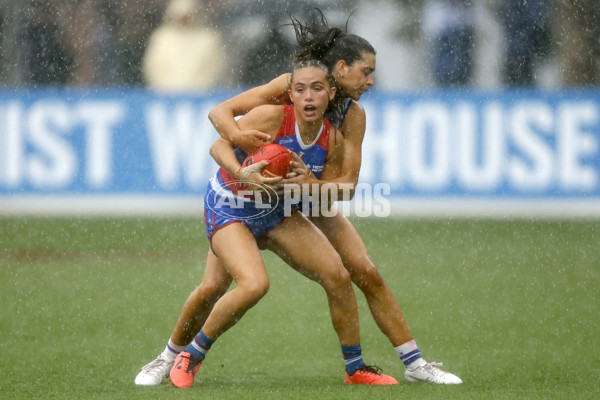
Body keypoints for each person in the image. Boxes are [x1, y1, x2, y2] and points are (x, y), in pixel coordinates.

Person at [135, 11, 462, 386]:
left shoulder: (353, 115)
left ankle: (409, 364)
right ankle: (169, 357)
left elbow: (347, 186)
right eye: (365, 71)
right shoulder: (288, 90)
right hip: (249, 197)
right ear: (341, 68)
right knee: (214, 287)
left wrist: (309, 185)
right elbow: (221, 118)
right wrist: (241, 145)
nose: (371, 80)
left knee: (360, 272)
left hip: (304, 196)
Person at [141, 60, 398, 388]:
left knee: (339, 276)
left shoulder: (331, 139)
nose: (308, 98)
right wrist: (241, 172)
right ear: (290, 94)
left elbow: (341, 189)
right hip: (230, 206)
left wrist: (310, 185)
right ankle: (183, 356)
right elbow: (217, 145)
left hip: (277, 212)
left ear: (331, 94)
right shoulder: (272, 116)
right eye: (300, 90)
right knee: (243, 286)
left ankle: (355, 368)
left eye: (317, 90)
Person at [142, 0, 225, 91]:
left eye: (187, 17)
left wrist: (198, 89)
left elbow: (213, 69)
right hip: (165, 94)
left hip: (200, 95)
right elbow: (152, 68)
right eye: (180, 17)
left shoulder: (208, 38)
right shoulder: (161, 37)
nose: (184, 20)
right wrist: (164, 89)